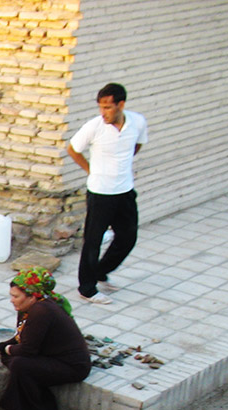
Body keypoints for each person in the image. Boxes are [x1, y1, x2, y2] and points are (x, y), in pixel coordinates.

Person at [0, 267, 90, 410]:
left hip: (72, 366)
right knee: (11, 358)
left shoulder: (42, 311)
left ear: (32, 296)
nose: (12, 300)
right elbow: (20, 338)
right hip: (50, 357)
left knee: (19, 364)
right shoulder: (29, 308)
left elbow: (27, 349)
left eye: (16, 296)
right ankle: (25, 403)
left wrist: (6, 349)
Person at [66, 83, 148, 304]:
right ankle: (87, 288)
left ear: (121, 105)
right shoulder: (94, 126)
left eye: (108, 108)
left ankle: (101, 271)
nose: (103, 113)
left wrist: (122, 162)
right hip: (100, 193)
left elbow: (137, 145)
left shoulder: (137, 122)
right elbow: (73, 149)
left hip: (125, 190)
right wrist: (90, 169)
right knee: (93, 241)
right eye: (101, 107)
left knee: (128, 236)